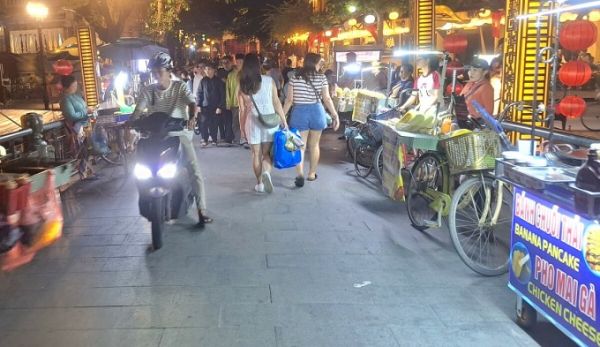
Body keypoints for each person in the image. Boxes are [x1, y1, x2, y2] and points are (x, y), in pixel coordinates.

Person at [132, 52, 212, 228]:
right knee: (139, 168)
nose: (156, 75)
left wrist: (192, 117)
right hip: (154, 138)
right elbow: (138, 111)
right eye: (154, 72)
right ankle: (145, 201)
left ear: (168, 71)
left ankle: (202, 210)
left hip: (179, 136)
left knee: (194, 170)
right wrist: (133, 122)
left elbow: (192, 104)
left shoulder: (180, 87)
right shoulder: (148, 91)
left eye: (159, 71)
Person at [283, 53, 340, 187]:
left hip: (299, 113)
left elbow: (289, 100)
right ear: (314, 62)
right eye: (320, 62)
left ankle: (300, 174)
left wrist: (283, 116)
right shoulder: (321, 78)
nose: (321, 65)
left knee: (299, 146)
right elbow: (326, 98)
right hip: (317, 111)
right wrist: (335, 115)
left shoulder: (295, 78)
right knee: (314, 145)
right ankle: (312, 174)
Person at [238, 54, 288, 193]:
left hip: (252, 122)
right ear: (258, 65)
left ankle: (259, 183)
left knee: (256, 154)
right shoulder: (268, 80)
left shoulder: (242, 85)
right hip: (270, 121)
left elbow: (242, 110)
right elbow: (276, 102)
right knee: (267, 154)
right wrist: (284, 120)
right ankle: (266, 172)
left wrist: (242, 129)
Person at [457, 58, 495, 129]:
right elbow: (461, 98)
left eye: (475, 70)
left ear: (485, 72)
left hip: (474, 125)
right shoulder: (470, 83)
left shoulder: (486, 88)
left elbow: (489, 111)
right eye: (470, 69)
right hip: (462, 120)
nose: (471, 72)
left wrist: (473, 115)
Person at [198, 61, 226, 146]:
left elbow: (222, 95)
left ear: (214, 70)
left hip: (215, 106)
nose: (207, 71)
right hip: (205, 105)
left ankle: (214, 139)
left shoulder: (219, 81)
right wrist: (198, 105)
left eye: (209, 69)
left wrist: (220, 107)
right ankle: (204, 139)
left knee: (214, 123)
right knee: (204, 123)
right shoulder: (203, 81)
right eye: (206, 69)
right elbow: (199, 93)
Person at [226, 53, 247, 147]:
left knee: (246, 121)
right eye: (237, 62)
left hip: (246, 103)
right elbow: (228, 90)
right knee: (236, 122)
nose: (239, 63)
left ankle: (245, 138)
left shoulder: (246, 74)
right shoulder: (231, 75)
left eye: (241, 62)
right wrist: (228, 102)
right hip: (235, 103)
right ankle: (238, 138)